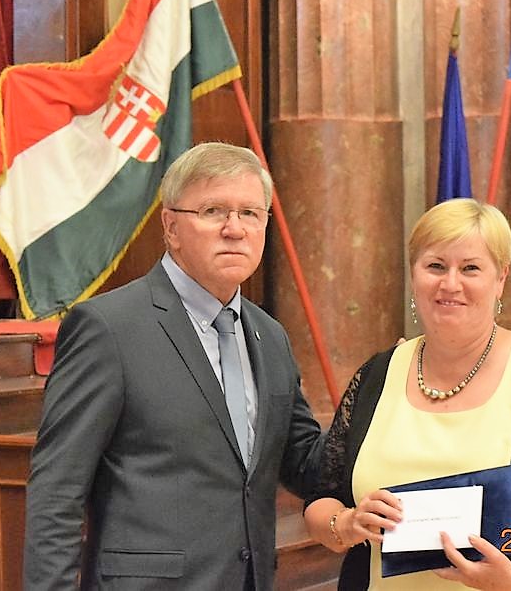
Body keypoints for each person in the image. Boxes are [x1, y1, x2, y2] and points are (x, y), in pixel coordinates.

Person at [24, 142, 322, 590]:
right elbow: (57, 491)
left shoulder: (269, 335)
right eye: (213, 211)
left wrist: (389, 386)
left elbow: (306, 462)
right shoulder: (109, 328)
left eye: (250, 213)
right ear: (171, 227)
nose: (234, 229)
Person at [304, 198, 511, 590]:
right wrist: (346, 524)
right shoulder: (376, 374)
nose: (450, 284)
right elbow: (321, 499)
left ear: (500, 278)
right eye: (435, 266)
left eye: (470, 268)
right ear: (413, 274)